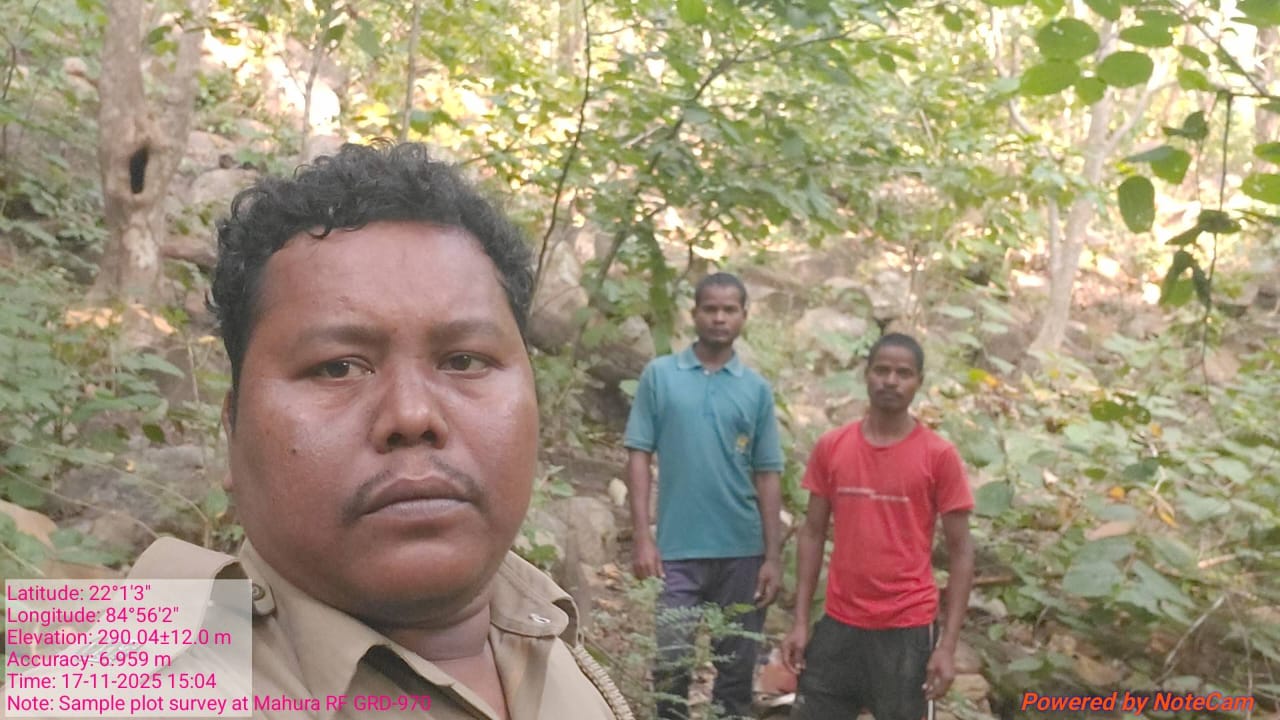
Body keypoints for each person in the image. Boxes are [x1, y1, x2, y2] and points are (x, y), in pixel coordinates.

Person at [126, 142, 633, 720]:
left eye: (464, 361)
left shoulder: (547, 634)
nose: (412, 416)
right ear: (232, 431)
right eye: (338, 368)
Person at [782, 332, 975, 720]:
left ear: (919, 382)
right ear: (866, 374)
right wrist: (800, 622)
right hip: (839, 623)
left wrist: (947, 646)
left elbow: (961, 550)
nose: (891, 381)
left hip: (907, 629)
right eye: (882, 370)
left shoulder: (938, 455)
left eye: (903, 373)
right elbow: (813, 532)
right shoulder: (833, 446)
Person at [622, 273, 785, 720]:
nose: (719, 318)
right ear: (693, 314)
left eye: (729, 310)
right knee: (671, 664)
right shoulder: (661, 376)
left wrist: (772, 556)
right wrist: (643, 536)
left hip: (742, 550)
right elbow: (639, 455)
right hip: (677, 549)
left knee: (735, 672)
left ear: (744, 316)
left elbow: (768, 474)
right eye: (710, 308)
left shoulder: (755, 389)